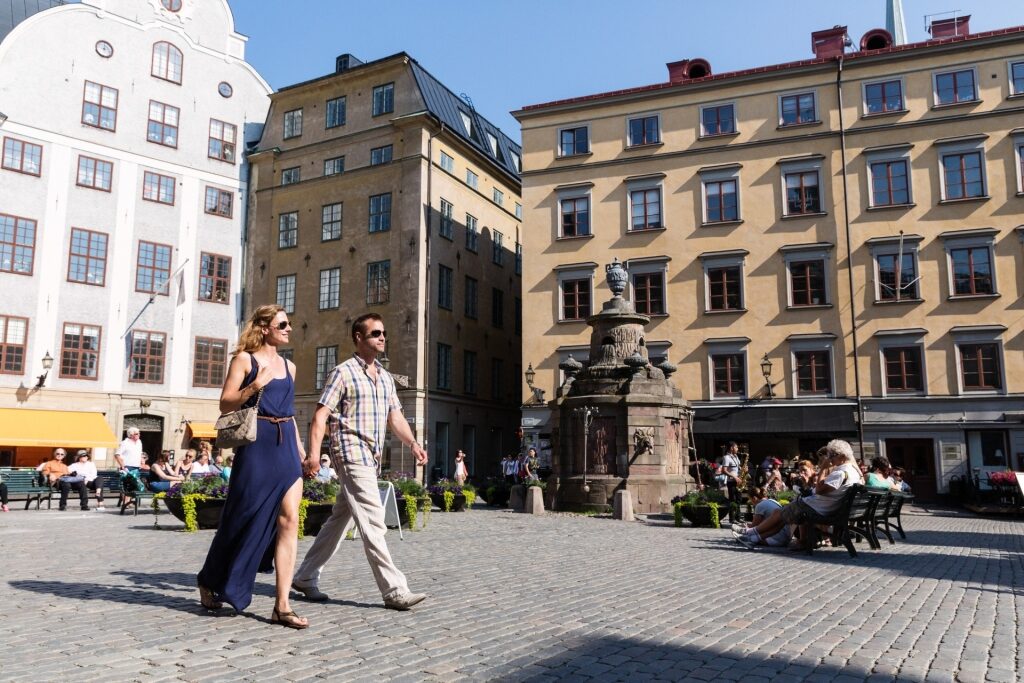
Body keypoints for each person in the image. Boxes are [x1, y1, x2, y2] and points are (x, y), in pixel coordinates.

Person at [292, 313, 428, 611]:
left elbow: (396, 417)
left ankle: (304, 576)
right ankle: (394, 590)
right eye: (375, 333)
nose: (382, 338)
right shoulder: (343, 372)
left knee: (340, 519)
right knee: (373, 519)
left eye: (384, 333)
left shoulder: (384, 376)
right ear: (358, 337)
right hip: (350, 453)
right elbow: (319, 415)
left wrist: (413, 442)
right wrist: (314, 454)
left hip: (371, 456)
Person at [196, 304, 308, 628]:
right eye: (283, 324)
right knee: (240, 517)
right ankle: (209, 578)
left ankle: (282, 606)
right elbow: (226, 401)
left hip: (285, 443)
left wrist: (300, 451)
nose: (289, 329)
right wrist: (254, 386)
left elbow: (289, 411)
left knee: (289, 521)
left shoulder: (291, 366)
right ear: (264, 328)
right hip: (257, 445)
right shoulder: (245, 360)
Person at [735, 439, 863, 550]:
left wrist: (823, 469)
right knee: (781, 518)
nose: (829, 459)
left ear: (841, 455)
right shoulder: (853, 472)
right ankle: (753, 538)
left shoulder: (841, 473)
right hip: (829, 508)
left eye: (831, 455)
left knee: (779, 514)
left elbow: (819, 490)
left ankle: (749, 532)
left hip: (818, 509)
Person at [718, 442, 742, 523]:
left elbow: (737, 468)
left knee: (739, 499)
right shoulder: (726, 457)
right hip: (731, 481)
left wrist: (743, 469)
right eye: (736, 447)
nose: (738, 449)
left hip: (738, 481)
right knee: (733, 500)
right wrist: (734, 477)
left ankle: (738, 517)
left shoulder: (736, 457)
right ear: (731, 448)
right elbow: (724, 470)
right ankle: (732, 518)